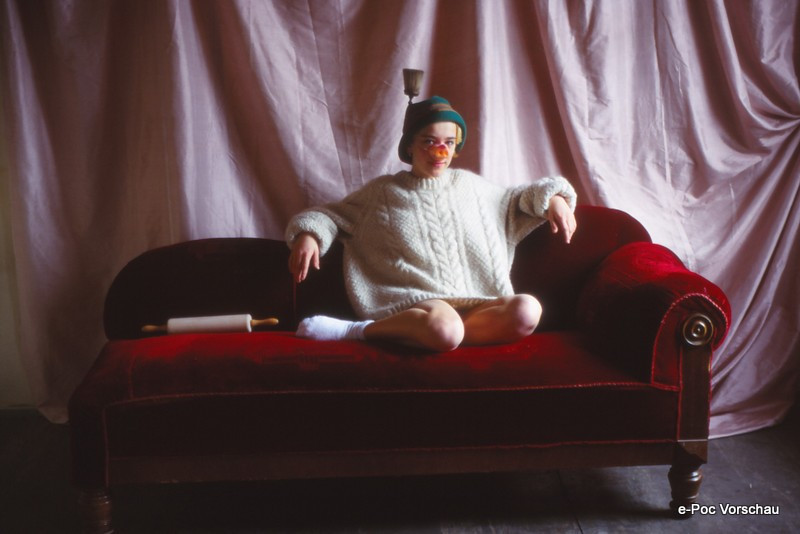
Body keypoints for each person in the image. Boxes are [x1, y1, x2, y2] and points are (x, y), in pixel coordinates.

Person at [286, 96, 577, 351]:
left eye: (448, 143)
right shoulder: (382, 193)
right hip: (421, 305)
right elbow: (328, 215)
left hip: (480, 305)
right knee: (444, 327)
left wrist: (554, 198)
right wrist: (309, 235)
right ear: (410, 146)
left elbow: (521, 198)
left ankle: (440, 337)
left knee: (527, 309)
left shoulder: (474, 188)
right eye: (428, 141)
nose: (440, 152)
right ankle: (356, 331)